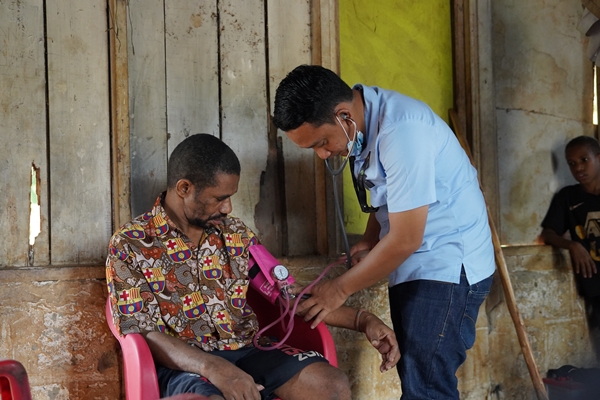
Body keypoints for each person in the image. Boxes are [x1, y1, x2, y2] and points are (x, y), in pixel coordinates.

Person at [105, 133, 399, 400]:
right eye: (219, 198)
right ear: (184, 188)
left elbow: (288, 295)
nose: (227, 209)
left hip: (248, 350)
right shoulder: (130, 244)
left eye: (230, 198)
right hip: (184, 363)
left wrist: (363, 320)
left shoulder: (236, 235)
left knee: (330, 385)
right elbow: (142, 331)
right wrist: (215, 367)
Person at [272, 65, 496, 399]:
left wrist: (339, 289)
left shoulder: (403, 132)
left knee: (426, 387)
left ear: (344, 115)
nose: (322, 155)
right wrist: (370, 238)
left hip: (447, 265)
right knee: (420, 379)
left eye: (321, 143)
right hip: (419, 263)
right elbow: (390, 195)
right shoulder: (363, 125)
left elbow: (406, 238)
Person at [540, 135, 600, 359]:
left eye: (584, 159)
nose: (578, 168)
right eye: (572, 163)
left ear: (598, 158)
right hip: (595, 288)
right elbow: (547, 234)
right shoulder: (568, 197)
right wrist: (572, 245)